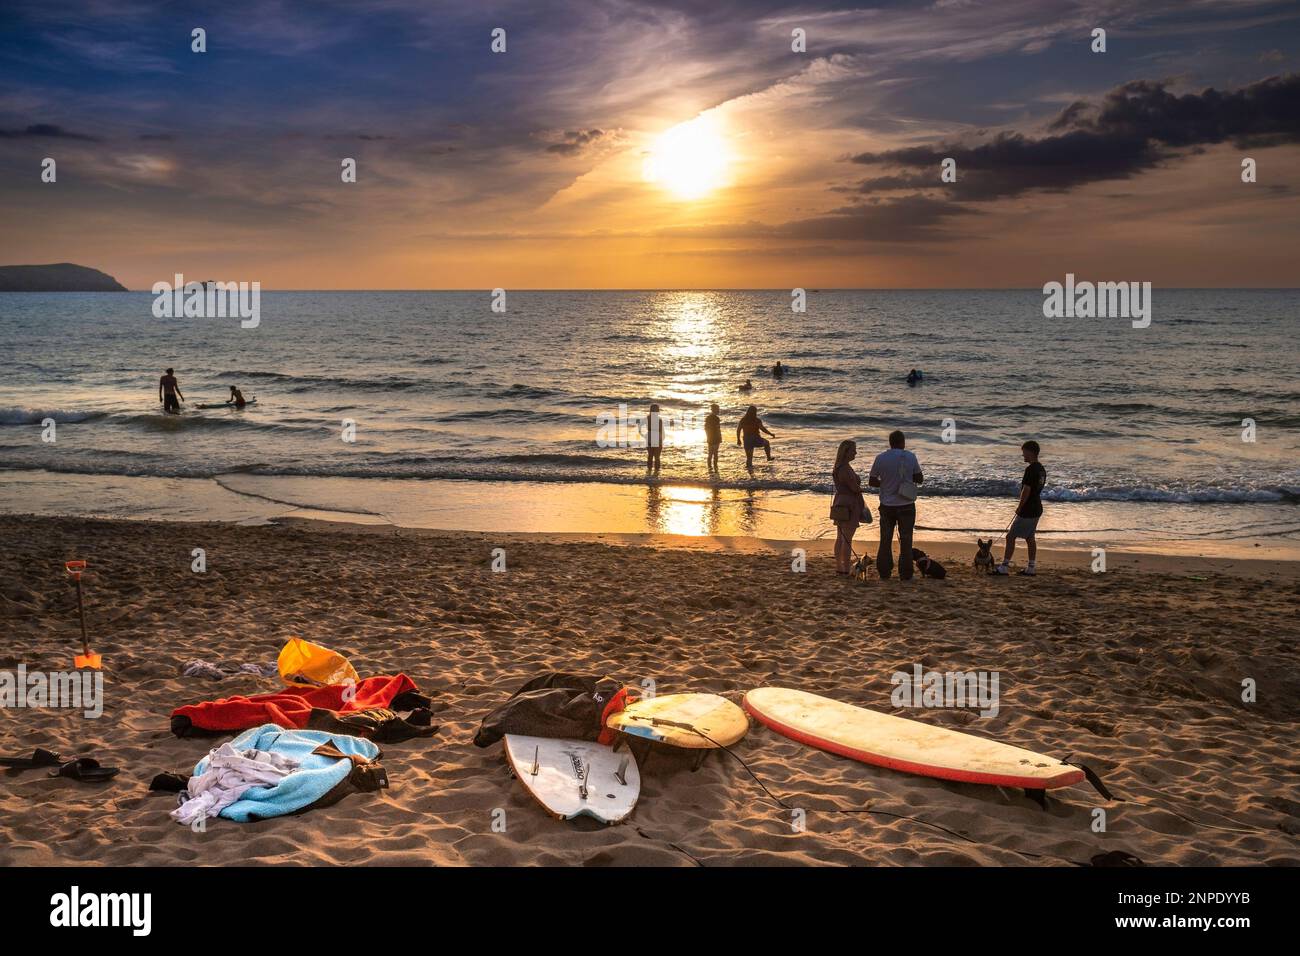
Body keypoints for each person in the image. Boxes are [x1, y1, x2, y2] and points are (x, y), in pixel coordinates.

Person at [868, 430, 923, 580]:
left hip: (887, 505)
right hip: (906, 504)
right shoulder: (910, 457)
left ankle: (884, 572)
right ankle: (905, 574)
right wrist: (906, 478)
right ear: (903, 442)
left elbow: (872, 481)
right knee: (906, 540)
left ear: (890, 443)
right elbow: (920, 478)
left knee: (885, 540)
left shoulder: (881, 458)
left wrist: (885, 484)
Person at [996, 440, 1046, 576]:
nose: (1023, 455)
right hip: (1037, 508)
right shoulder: (1041, 469)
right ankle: (1031, 567)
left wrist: (1020, 507)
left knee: (1010, 536)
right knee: (1030, 538)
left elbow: (1026, 490)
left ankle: (1004, 566)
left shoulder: (1030, 469)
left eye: (1024, 452)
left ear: (1030, 452)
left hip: (1028, 509)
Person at [831, 440, 870, 575]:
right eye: (853, 450)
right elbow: (854, 488)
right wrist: (862, 495)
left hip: (840, 501)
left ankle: (839, 566)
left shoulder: (839, 466)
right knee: (847, 539)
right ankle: (846, 568)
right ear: (846, 452)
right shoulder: (845, 469)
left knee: (840, 537)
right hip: (849, 503)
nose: (855, 452)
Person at [645, 403, 665, 476]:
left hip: (650, 438)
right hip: (656, 438)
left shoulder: (648, 418)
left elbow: (649, 429)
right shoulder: (659, 420)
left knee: (650, 456)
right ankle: (656, 473)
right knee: (656, 457)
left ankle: (649, 473)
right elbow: (661, 430)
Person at [704, 403, 722, 471]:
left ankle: (709, 467)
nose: (718, 411)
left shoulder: (708, 418)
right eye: (718, 409)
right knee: (715, 453)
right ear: (714, 410)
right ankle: (715, 467)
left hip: (710, 437)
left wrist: (708, 436)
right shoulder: (716, 418)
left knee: (710, 453)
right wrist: (720, 437)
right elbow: (718, 429)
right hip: (715, 438)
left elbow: (705, 428)